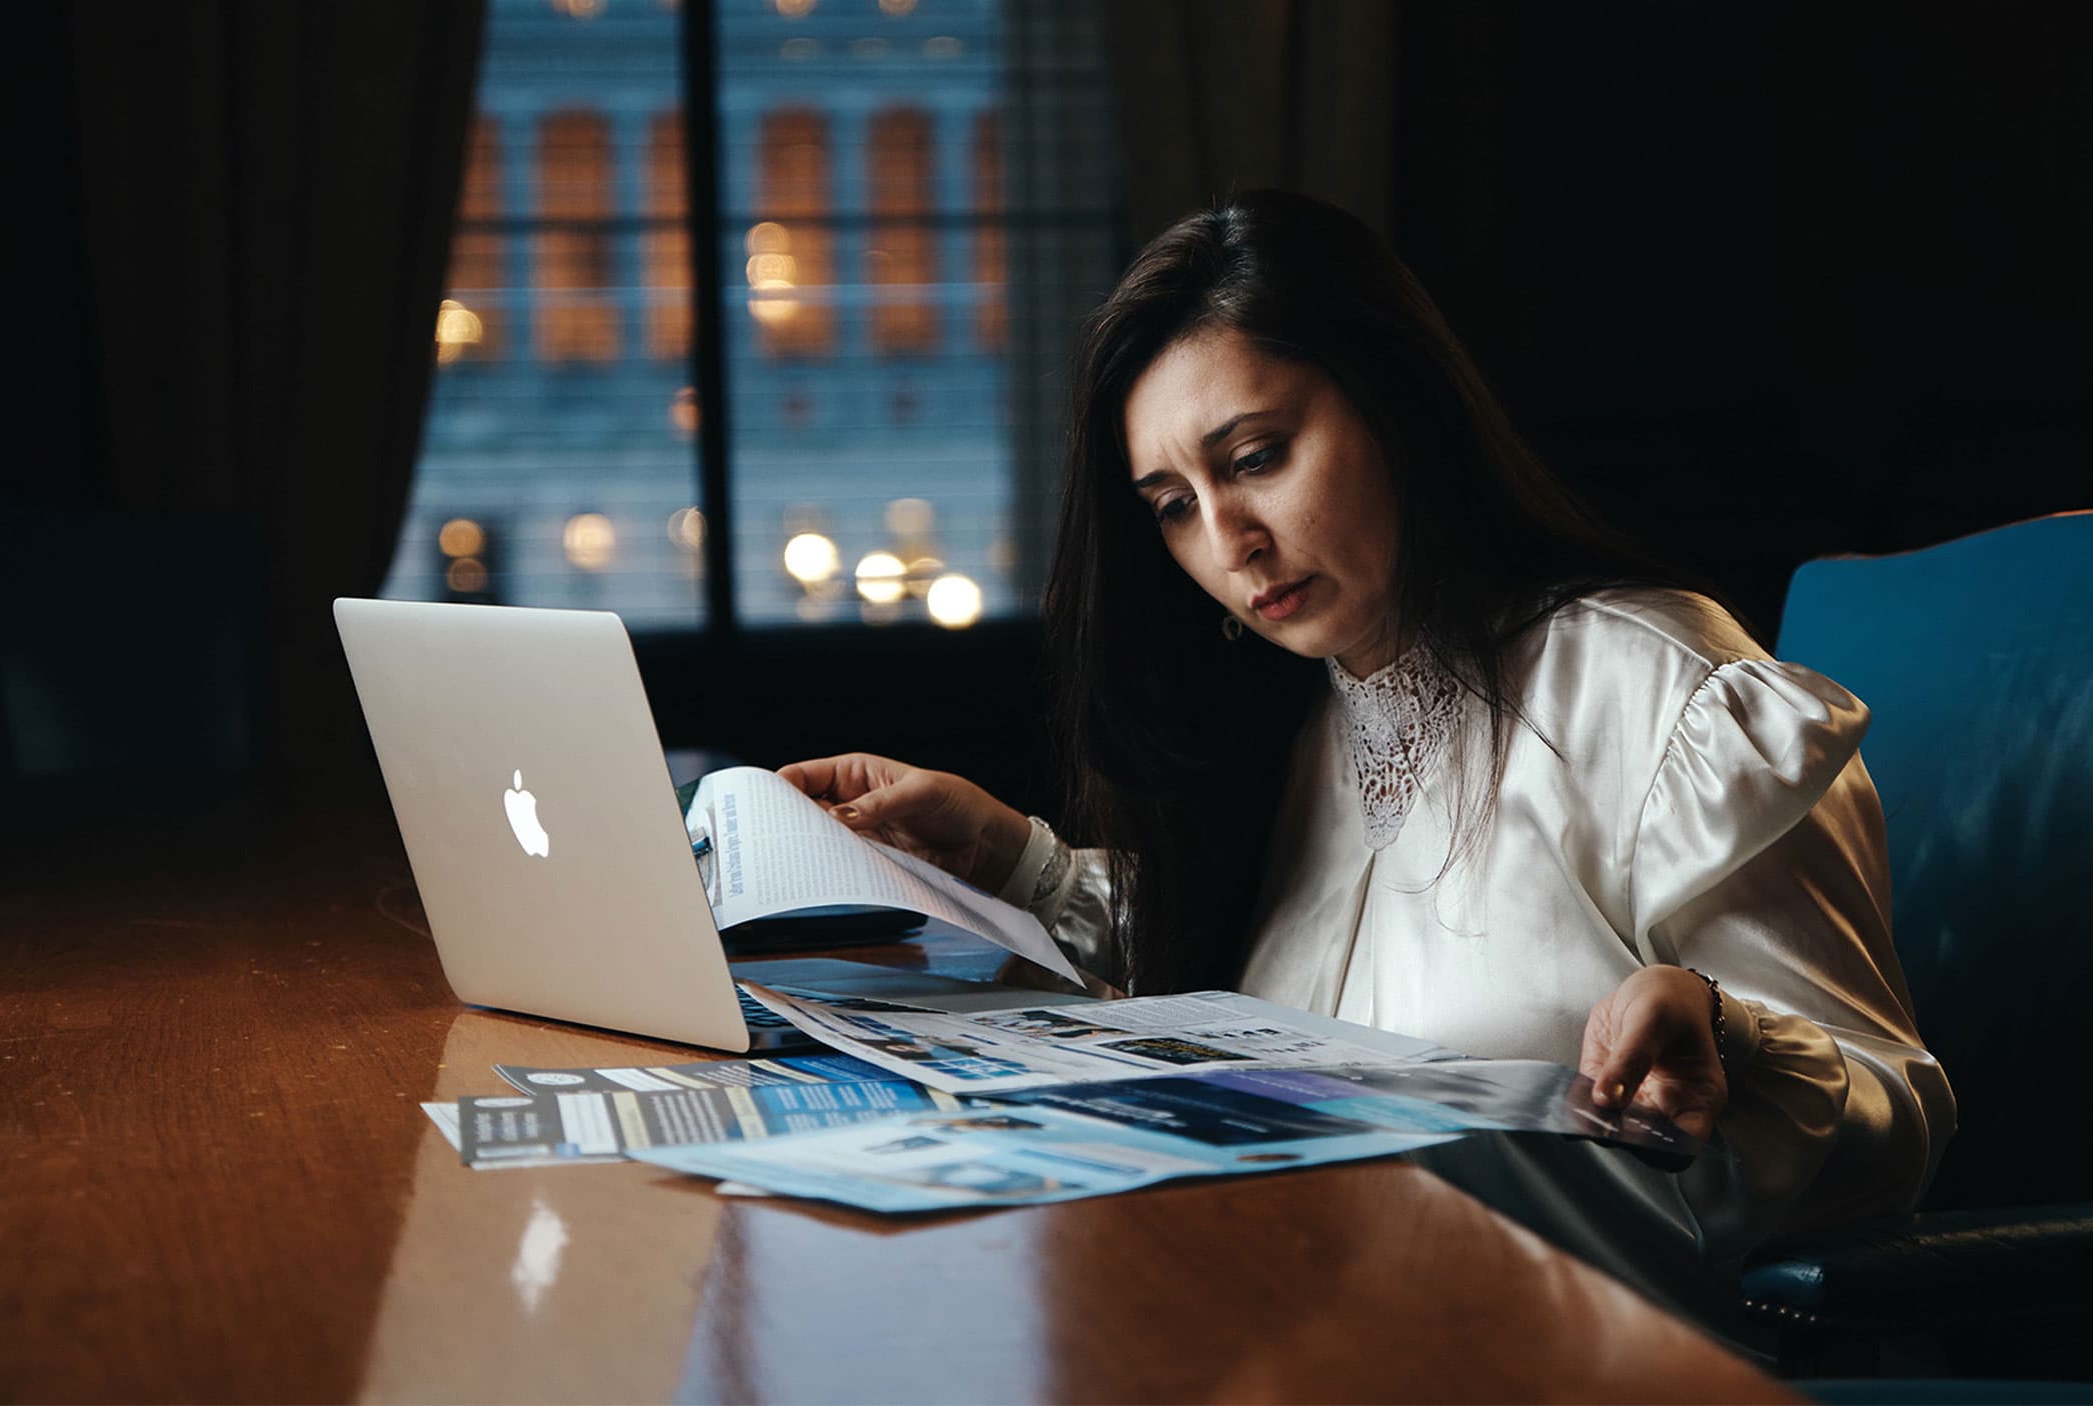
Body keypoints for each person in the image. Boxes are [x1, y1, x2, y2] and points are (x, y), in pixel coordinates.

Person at [780, 190, 1954, 1300]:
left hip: (1591, 1346)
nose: (1229, 542)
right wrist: (1017, 860)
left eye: (1253, 459)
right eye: (1173, 504)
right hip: (1316, 1311)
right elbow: (1267, 983)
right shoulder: (1306, 719)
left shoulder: (1663, 693)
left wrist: (1721, 1022)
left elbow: (1891, 1120)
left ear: (1396, 404)